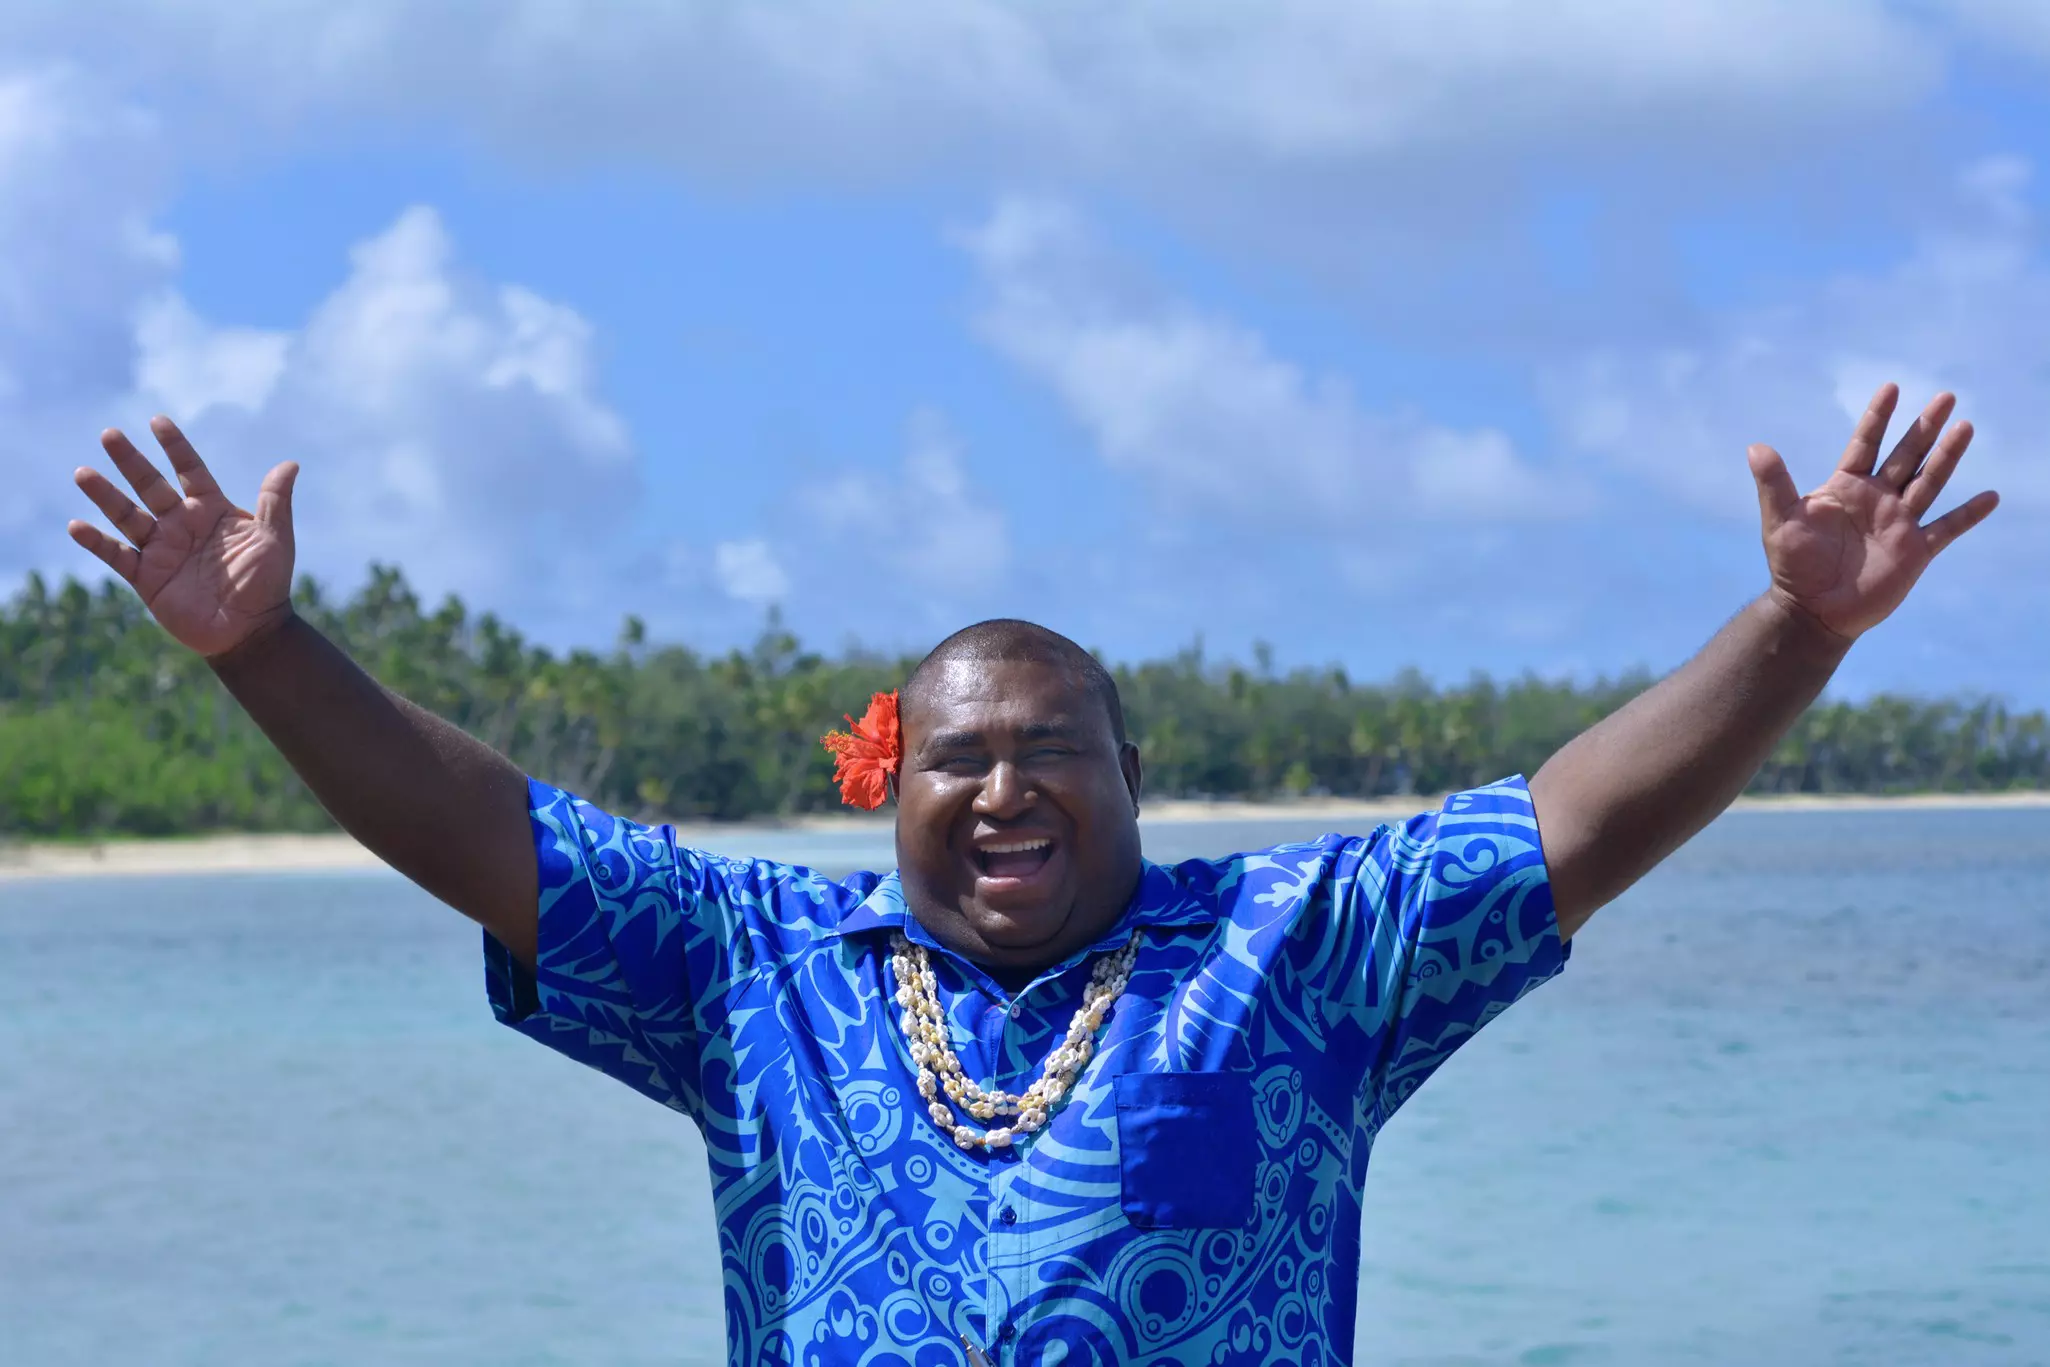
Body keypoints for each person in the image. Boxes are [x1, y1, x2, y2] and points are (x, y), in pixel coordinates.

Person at [65, 385, 1996, 1366]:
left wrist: (1795, 637)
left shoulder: (1294, 952)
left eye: (1051, 749)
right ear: (889, 783)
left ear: (1130, 780)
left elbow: (1571, 819)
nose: (1004, 788)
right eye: (959, 755)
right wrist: (260, 655)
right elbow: (492, 839)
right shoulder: (763, 969)